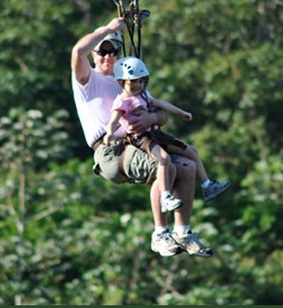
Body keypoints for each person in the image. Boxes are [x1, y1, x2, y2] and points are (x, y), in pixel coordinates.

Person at [71, 17, 228, 257]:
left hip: (139, 140)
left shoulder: (127, 81)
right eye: (102, 51)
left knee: (186, 168)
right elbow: (77, 50)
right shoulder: (87, 80)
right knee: (163, 166)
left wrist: (153, 119)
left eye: (113, 51)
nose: (108, 56)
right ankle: (159, 235)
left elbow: (158, 111)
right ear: (94, 53)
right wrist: (110, 29)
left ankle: (183, 233)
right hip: (112, 149)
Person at [104, 56, 232, 214]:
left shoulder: (143, 95)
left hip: (155, 133)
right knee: (164, 159)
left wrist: (181, 113)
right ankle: (165, 197)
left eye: (140, 81)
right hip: (141, 137)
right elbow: (113, 120)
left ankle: (207, 186)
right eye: (133, 81)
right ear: (121, 82)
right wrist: (110, 134)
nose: (137, 85)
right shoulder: (121, 102)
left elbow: (161, 104)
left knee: (191, 151)